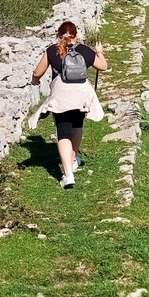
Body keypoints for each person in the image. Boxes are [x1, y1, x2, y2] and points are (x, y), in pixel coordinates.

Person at [27, 20, 107, 188]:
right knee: (77, 125)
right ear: (76, 35)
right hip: (81, 94)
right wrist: (99, 52)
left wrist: (35, 81)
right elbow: (103, 66)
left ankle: (68, 174)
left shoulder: (51, 51)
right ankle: (73, 159)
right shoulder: (84, 50)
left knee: (63, 132)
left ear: (58, 35)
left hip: (62, 95)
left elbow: (37, 72)